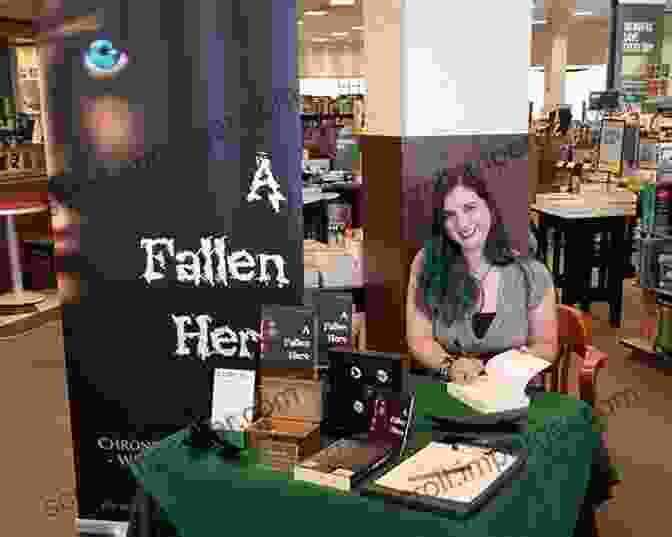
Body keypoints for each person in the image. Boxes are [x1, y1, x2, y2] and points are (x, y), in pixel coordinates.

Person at [406, 164, 558, 384]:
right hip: (451, 388)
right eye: (450, 215)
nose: (463, 224)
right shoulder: (427, 262)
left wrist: (506, 366)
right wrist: (450, 366)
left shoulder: (530, 271)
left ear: (490, 207)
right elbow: (419, 339)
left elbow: (546, 346)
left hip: (515, 392)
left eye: (470, 208)